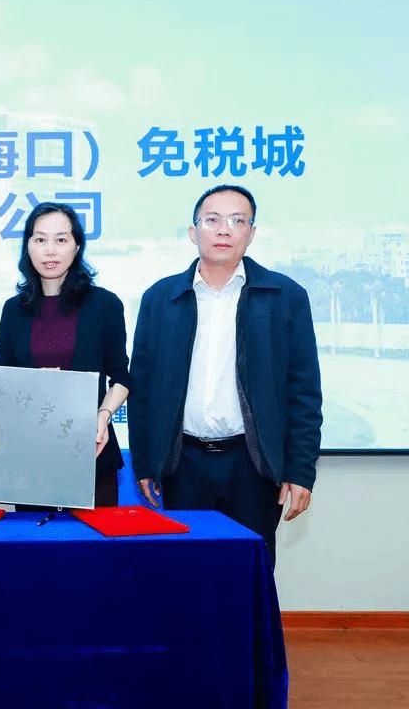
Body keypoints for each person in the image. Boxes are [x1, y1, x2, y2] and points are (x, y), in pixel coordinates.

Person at [128, 185, 321, 564]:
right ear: (193, 232)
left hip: (253, 466)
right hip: (182, 464)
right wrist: (145, 464)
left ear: (252, 233)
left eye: (237, 221)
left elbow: (304, 392)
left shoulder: (285, 296)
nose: (224, 230)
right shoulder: (160, 298)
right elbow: (143, 388)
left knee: (249, 572)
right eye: (212, 220)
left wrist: (300, 470)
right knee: (185, 575)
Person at [0, 202, 131, 508]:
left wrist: (103, 415)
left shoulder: (104, 304)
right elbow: (1, 380)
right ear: (28, 246)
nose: (50, 250)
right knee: (34, 538)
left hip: (92, 451)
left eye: (61, 239)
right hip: (30, 457)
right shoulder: (13, 310)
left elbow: (121, 378)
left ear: (77, 246)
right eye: (40, 239)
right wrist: (33, 383)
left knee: (93, 539)